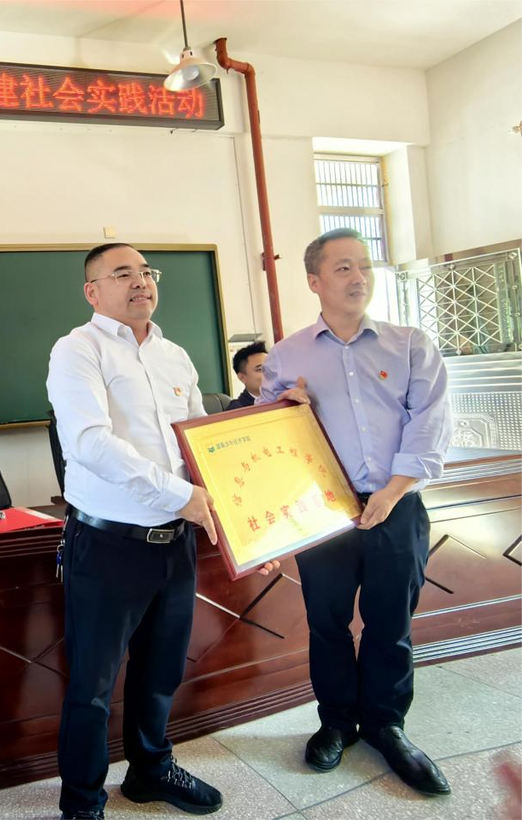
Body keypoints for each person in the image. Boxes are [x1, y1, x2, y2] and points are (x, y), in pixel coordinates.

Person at [46, 243, 277, 820]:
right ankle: (82, 802)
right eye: (122, 273)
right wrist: (182, 496)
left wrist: (244, 528)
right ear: (92, 291)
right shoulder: (77, 349)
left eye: (147, 272)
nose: (140, 281)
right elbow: (89, 443)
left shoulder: (175, 356)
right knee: (93, 686)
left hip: (174, 543)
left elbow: (199, 448)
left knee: (160, 672)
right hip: (107, 544)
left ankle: (149, 772)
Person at [258, 228, 452, 796]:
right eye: (343, 267)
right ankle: (337, 723)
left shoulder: (410, 343)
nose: (359, 277)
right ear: (314, 281)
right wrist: (285, 409)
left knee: (391, 625)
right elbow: (264, 434)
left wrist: (390, 493)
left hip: (398, 507)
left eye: (364, 265)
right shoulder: (288, 354)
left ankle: (388, 727)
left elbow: (430, 422)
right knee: (328, 624)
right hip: (323, 515)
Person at [227, 341, 267, 409]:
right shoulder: (238, 409)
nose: (269, 373)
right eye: (260, 369)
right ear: (242, 377)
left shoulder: (284, 397)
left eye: (271, 367)